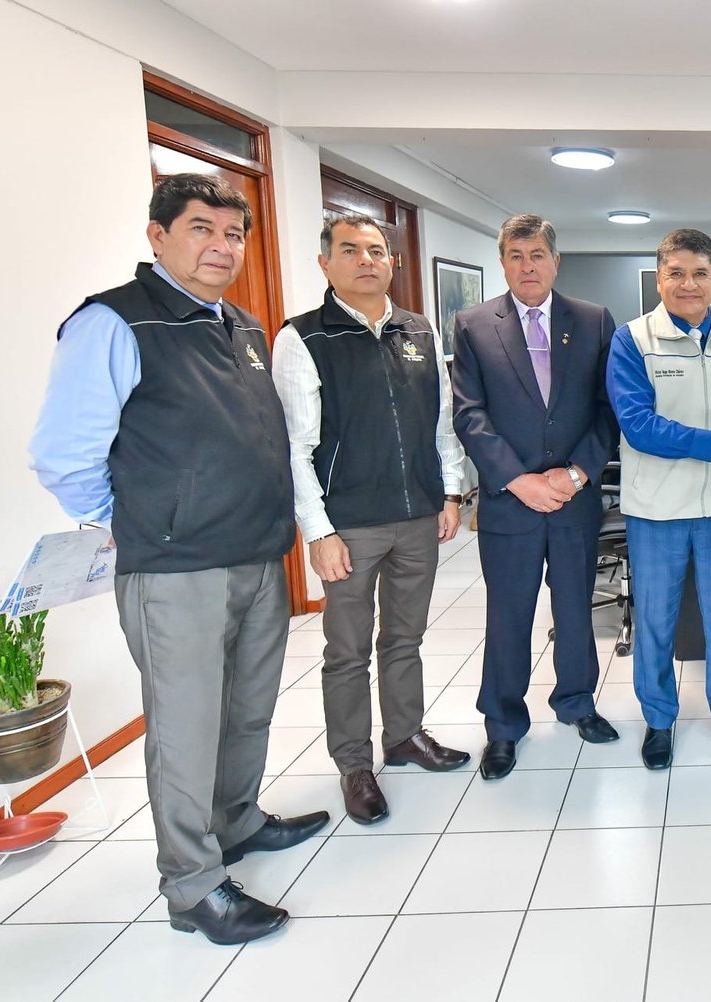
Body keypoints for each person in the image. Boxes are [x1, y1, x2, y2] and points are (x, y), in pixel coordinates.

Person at [29, 173, 328, 945]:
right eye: (201, 229)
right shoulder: (114, 323)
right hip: (175, 572)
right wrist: (137, 520)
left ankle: (236, 820)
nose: (221, 247)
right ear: (158, 235)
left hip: (257, 556)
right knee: (186, 727)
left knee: (248, 708)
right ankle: (193, 887)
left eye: (233, 234)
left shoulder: (242, 327)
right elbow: (64, 457)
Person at [272, 213, 471, 825]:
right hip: (349, 525)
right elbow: (294, 447)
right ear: (325, 262)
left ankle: (404, 736)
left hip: (417, 515)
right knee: (347, 650)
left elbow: (439, 422)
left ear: (392, 261)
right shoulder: (303, 338)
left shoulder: (418, 330)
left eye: (376, 250)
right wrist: (318, 531)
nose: (366, 260)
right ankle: (354, 764)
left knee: (405, 638)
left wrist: (451, 493)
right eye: (350, 250)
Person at [451, 213, 620, 780]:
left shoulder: (593, 321)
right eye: (516, 256)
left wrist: (576, 475)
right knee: (509, 615)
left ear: (555, 261)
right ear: (503, 263)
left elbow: (607, 410)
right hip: (509, 503)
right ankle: (503, 725)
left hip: (574, 499)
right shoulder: (474, 325)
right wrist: (518, 480)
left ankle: (577, 702)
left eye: (537, 255)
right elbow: (469, 415)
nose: (528, 266)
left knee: (574, 608)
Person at [606, 228, 711, 771]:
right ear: (659, 279)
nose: (688, 284)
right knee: (656, 621)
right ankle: (659, 721)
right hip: (656, 511)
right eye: (676, 272)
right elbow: (638, 426)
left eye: (700, 273)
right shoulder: (633, 340)